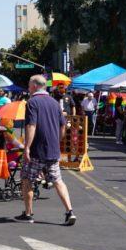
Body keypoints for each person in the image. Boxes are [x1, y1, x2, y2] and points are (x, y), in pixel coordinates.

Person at [14, 75, 75, 224]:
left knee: (27, 179)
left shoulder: (32, 102)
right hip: (53, 150)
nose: (28, 88)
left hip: (36, 150)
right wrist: (57, 141)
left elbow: (31, 126)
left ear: (35, 86)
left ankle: (28, 213)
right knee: (58, 180)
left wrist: (27, 147)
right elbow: (63, 125)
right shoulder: (55, 103)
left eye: (29, 85)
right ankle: (69, 211)